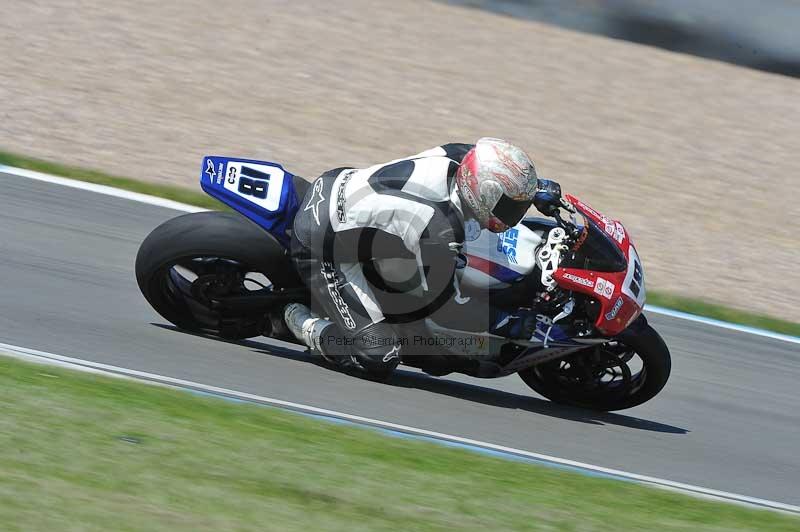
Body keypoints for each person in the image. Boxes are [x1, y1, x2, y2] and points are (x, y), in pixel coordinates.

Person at [284, 137, 550, 379]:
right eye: (511, 206)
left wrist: (532, 190)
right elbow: (447, 308)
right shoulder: (441, 230)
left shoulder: (461, 158)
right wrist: (507, 323)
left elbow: (497, 168)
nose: (516, 215)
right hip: (319, 246)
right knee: (380, 356)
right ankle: (304, 323)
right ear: (484, 193)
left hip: (337, 182)